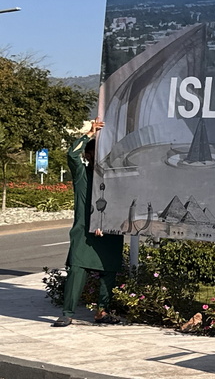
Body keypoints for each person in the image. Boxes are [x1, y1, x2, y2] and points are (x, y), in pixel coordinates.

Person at [53, 120, 124, 327]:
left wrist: (107, 224)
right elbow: (72, 155)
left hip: (109, 231)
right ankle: (67, 313)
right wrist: (89, 135)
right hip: (84, 232)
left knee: (109, 270)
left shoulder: (115, 178)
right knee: (77, 269)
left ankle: (103, 311)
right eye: (95, 154)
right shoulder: (82, 176)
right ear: (89, 155)